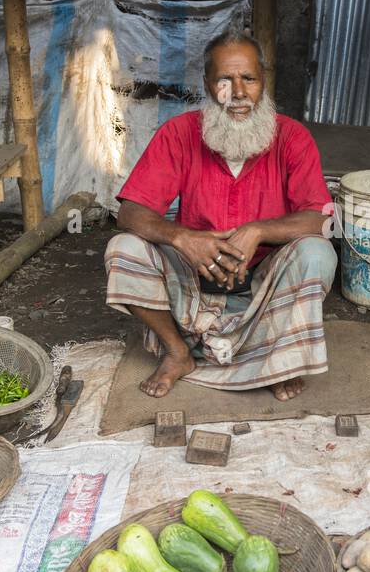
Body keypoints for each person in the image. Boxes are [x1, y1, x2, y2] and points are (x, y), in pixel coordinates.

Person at [104, 29, 337, 401]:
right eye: (225, 80)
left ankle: (277, 356)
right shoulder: (178, 134)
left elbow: (321, 220)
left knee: (317, 252)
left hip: (264, 288)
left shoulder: (293, 138)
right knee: (123, 248)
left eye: (249, 79)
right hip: (191, 283)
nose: (239, 93)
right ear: (208, 85)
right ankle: (179, 352)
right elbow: (131, 213)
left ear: (264, 82)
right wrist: (183, 238)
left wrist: (258, 231)